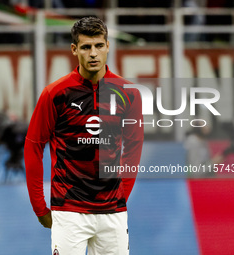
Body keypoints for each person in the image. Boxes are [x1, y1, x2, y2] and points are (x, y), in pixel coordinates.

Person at [24, 16, 144, 254]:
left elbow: (133, 148)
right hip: (69, 212)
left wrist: (121, 196)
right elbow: (33, 147)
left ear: (108, 46)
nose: (93, 53)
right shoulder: (55, 94)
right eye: (86, 47)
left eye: (99, 46)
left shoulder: (129, 93)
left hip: (113, 212)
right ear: (74, 49)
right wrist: (40, 208)